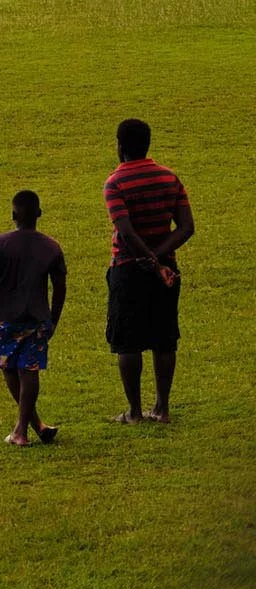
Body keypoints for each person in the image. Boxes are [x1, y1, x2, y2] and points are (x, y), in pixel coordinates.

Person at [104, 118, 195, 424]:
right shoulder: (170, 178)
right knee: (164, 337)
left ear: (120, 146)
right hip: (167, 270)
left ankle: (134, 412)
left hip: (128, 269)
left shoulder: (115, 183)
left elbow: (127, 232)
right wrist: (159, 259)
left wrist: (147, 260)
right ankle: (163, 408)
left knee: (127, 341)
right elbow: (186, 227)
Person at [0, 190, 66, 447]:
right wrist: (54, 318)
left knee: (10, 368)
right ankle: (34, 425)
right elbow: (60, 287)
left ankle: (21, 430)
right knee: (29, 371)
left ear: (13, 214)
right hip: (37, 320)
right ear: (39, 214)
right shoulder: (51, 247)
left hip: (4, 320)